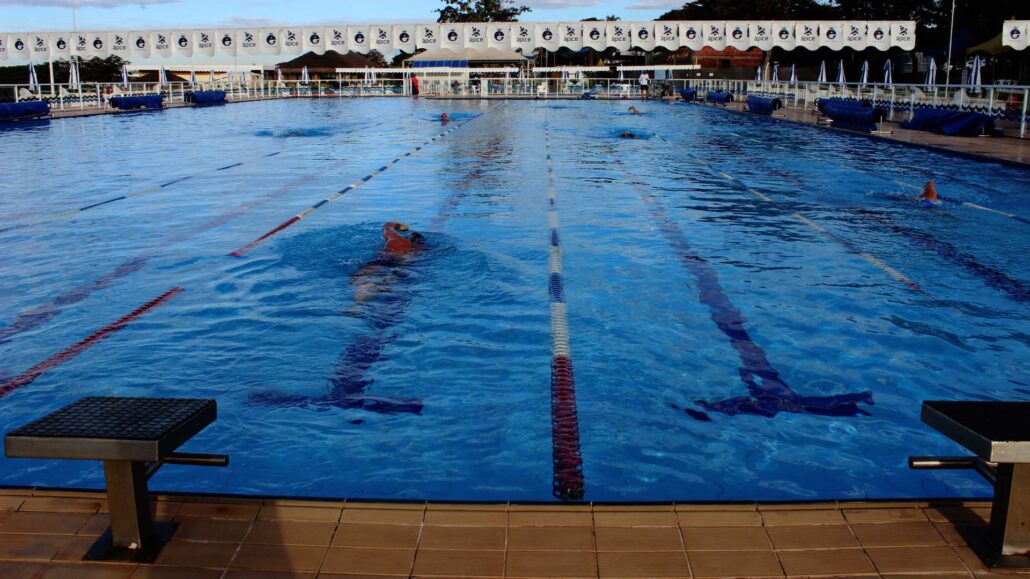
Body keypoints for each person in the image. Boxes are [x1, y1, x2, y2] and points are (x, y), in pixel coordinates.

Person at [351, 222, 426, 303]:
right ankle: (361, 303)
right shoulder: (419, 249)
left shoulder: (395, 238)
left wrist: (400, 226)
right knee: (386, 283)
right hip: (400, 264)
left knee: (358, 277)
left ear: (409, 236)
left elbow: (388, 225)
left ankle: (359, 298)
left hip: (381, 259)